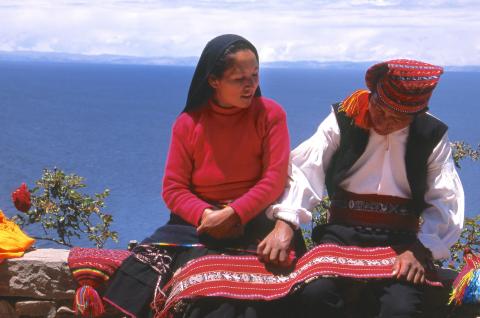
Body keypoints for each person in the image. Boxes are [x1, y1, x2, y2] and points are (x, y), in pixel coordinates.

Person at [103, 34, 305, 318]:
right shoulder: (188, 124)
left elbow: (273, 180)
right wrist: (207, 217)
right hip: (196, 225)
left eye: (255, 75)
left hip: (255, 222)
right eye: (239, 79)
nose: (251, 85)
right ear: (214, 81)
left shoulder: (270, 115)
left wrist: (235, 213)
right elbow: (173, 189)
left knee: (229, 300)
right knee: (136, 281)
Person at [264, 59, 464, 317]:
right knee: (315, 294)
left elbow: (445, 199)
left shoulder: (431, 134)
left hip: (402, 242)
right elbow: (306, 168)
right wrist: (286, 222)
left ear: (417, 115)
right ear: (372, 96)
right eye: (380, 110)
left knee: (400, 308)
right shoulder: (343, 118)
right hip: (341, 234)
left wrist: (420, 248)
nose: (385, 122)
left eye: (398, 119)